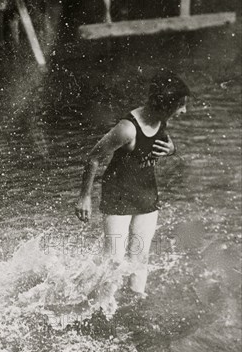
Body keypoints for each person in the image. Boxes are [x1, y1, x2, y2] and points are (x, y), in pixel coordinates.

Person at [75, 70, 190, 298]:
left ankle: (137, 306)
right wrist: (84, 196)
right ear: (165, 106)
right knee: (115, 261)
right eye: (180, 105)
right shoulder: (127, 129)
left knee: (140, 258)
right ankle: (100, 310)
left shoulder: (160, 119)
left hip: (146, 193)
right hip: (118, 195)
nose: (184, 110)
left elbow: (162, 141)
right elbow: (94, 157)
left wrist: (172, 150)